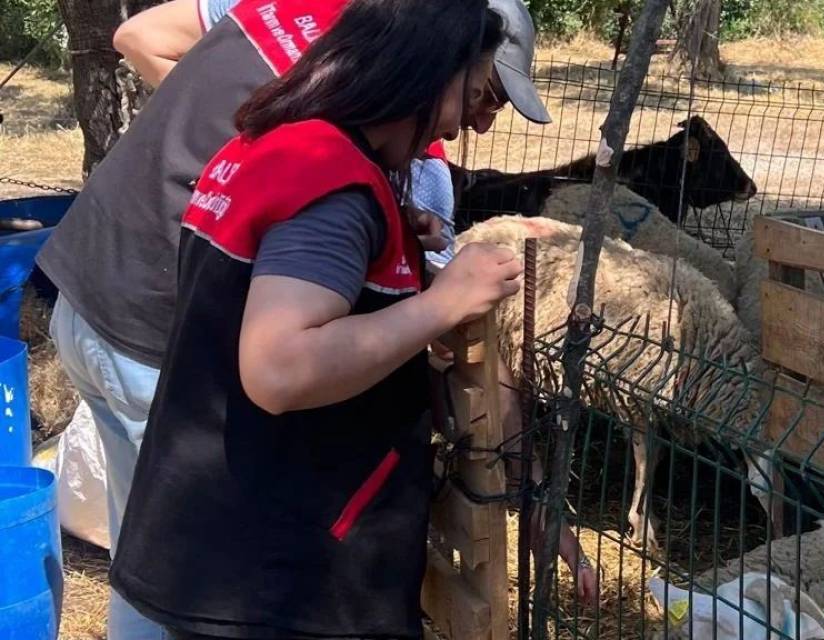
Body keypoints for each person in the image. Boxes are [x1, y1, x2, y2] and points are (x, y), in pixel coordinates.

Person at [38, 0, 554, 637]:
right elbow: (280, 367)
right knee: (187, 591)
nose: (455, 129)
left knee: (163, 575)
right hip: (269, 572)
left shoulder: (281, 139)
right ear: (422, 74)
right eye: (471, 96)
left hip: (107, 312)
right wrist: (439, 304)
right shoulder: (330, 184)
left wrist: (384, 240)